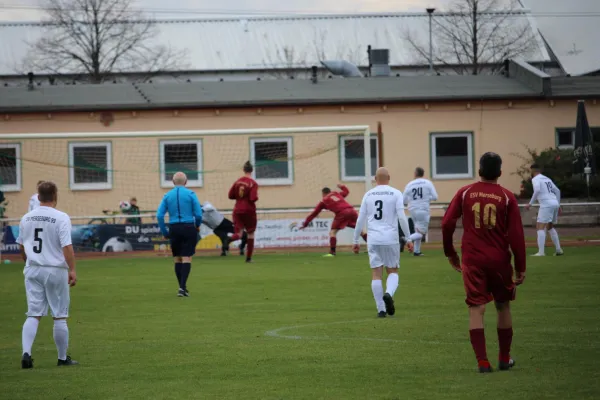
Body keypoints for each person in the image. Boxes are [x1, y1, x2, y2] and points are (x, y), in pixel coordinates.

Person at [442, 152, 526, 373]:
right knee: (503, 305)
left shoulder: (465, 193)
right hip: (499, 259)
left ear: (479, 170)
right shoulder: (507, 197)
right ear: (500, 172)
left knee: (476, 308)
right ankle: (504, 358)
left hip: (473, 259)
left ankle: (482, 362)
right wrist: (521, 266)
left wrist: (450, 252)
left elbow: (447, 223)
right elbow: (516, 235)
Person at [17, 181, 78, 369]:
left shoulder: (26, 218)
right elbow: (66, 246)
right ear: (55, 195)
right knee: (59, 315)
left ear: (38, 195)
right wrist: (73, 269)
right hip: (55, 270)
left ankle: (26, 353)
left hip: (33, 269)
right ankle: (61, 358)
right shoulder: (61, 217)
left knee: (33, 313)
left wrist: (29, 261)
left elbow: (21, 246)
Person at [353, 167, 413, 318]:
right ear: (389, 177)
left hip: (373, 239)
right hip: (390, 238)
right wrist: (408, 238)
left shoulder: (368, 194)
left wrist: (355, 240)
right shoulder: (395, 193)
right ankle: (388, 293)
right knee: (392, 270)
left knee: (376, 274)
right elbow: (401, 217)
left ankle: (381, 310)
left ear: (375, 178)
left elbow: (360, 220)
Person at [157, 172, 203, 297]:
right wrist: (197, 225)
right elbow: (198, 214)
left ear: (173, 182)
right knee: (187, 257)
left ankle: (182, 287)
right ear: (186, 182)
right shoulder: (191, 194)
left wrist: (165, 232)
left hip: (174, 227)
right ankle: (182, 288)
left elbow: (159, 215)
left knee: (177, 258)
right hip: (188, 227)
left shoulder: (167, 196)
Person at [300, 184, 367, 256]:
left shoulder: (324, 200)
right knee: (360, 230)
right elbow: (346, 192)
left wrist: (305, 224)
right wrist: (341, 186)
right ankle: (373, 247)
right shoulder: (336, 194)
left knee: (333, 232)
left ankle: (332, 252)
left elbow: (314, 213)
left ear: (323, 194)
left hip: (342, 213)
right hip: (352, 211)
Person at [525, 164, 563, 256]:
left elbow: (537, 190)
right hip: (554, 203)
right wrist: (558, 205)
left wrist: (530, 203)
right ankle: (558, 250)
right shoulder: (547, 179)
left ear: (533, 171)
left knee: (539, 227)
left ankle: (541, 252)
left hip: (546, 204)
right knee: (550, 227)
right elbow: (557, 191)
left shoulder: (535, 179)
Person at [228, 161, 259, 263]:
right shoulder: (253, 183)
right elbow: (253, 198)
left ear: (244, 170)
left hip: (237, 209)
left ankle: (227, 239)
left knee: (239, 234)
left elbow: (230, 195)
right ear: (252, 170)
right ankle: (248, 258)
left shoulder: (237, 182)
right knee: (250, 233)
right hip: (249, 210)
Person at [403, 167, 438, 256]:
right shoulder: (428, 183)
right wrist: (426, 198)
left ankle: (417, 251)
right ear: (423, 174)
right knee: (422, 233)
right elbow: (435, 197)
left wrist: (412, 201)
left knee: (417, 230)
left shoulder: (410, 184)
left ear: (415, 174)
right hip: (423, 209)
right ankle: (405, 239)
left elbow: (404, 201)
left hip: (412, 209)